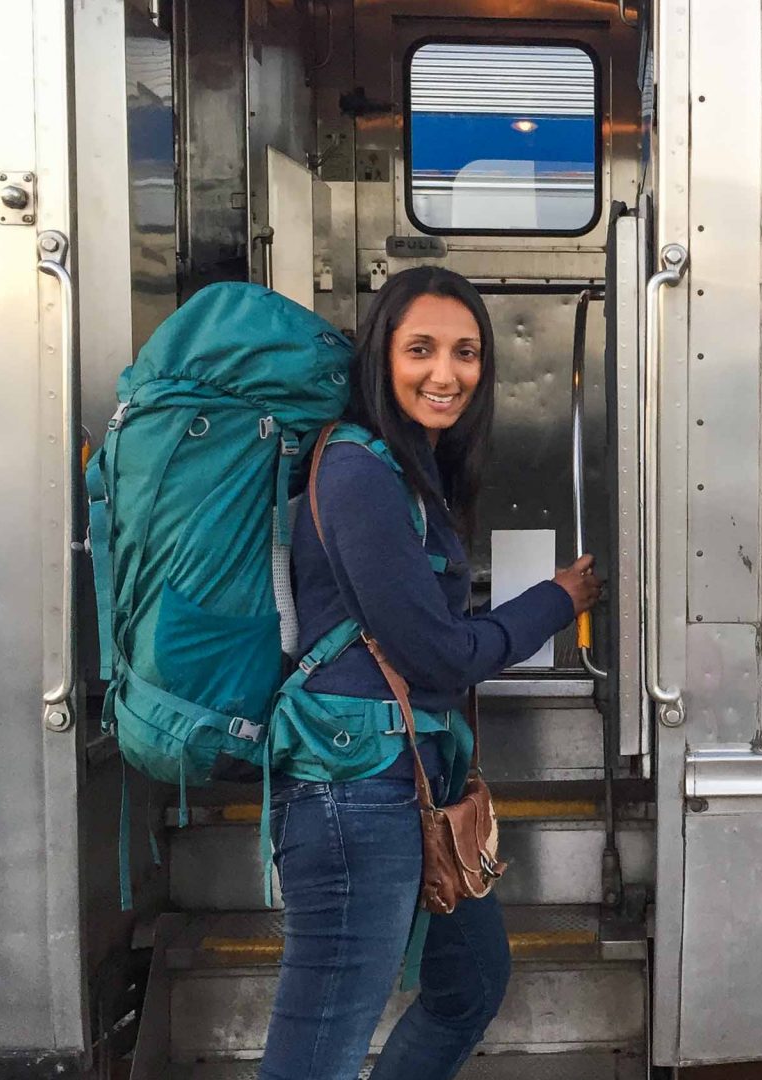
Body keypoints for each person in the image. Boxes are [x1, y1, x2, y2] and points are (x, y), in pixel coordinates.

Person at [259, 266, 602, 1080]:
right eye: (421, 349)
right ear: (382, 357)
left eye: (466, 352)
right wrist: (557, 599)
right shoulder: (357, 470)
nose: (445, 374)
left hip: (416, 779)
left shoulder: (409, 469)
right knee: (314, 1059)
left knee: (470, 986)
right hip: (354, 790)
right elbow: (440, 655)